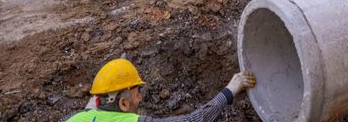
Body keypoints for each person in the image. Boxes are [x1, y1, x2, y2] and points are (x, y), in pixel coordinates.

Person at [63, 58, 256, 122]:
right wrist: (230, 90)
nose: (140, 100)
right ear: (123, 103)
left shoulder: (73, 118)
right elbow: (193, 120)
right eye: (137, 94)